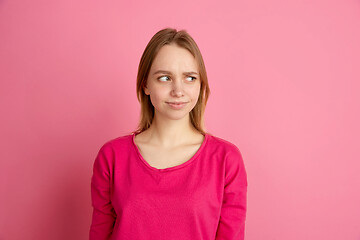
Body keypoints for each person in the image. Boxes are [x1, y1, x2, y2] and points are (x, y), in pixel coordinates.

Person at [89, 27, 248, 240]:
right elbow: (100, 233)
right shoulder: (112, 157)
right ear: (145, 84)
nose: (178, 90)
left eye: (190, 78)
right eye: (165, 78)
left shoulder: (226, 160)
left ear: (201, 85)